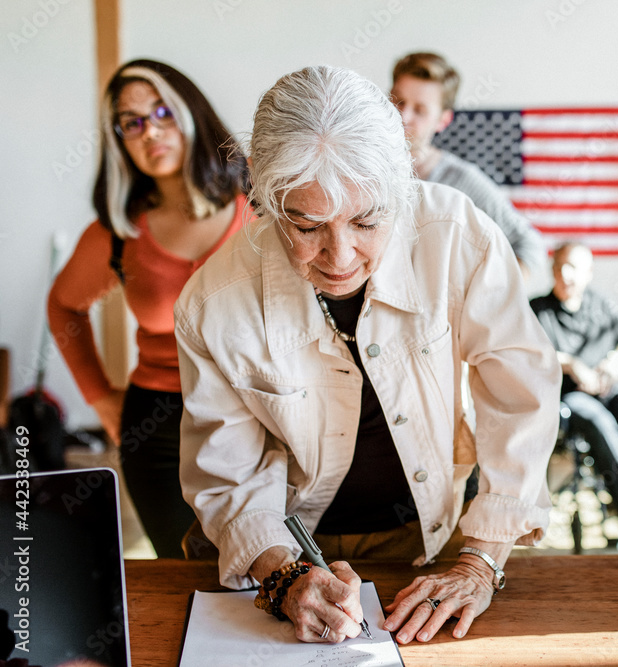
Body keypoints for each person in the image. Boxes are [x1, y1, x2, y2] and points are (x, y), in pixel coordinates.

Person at [174, 65, 560, 645]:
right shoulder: (214, 303)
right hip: (279, 537)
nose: (340, 256)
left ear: (399, 187)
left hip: (429, 531)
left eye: (367, 219)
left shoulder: (455, 235)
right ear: (266, 198)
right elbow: (228, 472)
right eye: (306, 226)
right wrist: (281, 575)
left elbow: (521, 395)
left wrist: (480, 560)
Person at [47, 59, 248, 558]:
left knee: (272, 568)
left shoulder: (260, 206)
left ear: (190, 113)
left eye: (161, 112)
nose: (149, 131)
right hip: (158, 429)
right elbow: (63, 306)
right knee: (185, 574)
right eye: (131, 122)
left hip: (260, 413)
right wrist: (99, 397)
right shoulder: (121, 233)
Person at [530, 243, 618, 549]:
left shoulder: (602, 306)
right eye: (561, 267)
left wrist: (613, 363)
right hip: (567, 402)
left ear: (589, 273)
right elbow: (529, 353)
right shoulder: (537, 311)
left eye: (575, 268)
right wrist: (572, 365)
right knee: (596, 419)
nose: (567, 275)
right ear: (552, 269)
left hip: (609, 391)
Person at [389, 52, 545, 279]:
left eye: (420, 110)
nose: (403, 116)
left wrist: (490, 300)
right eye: (398, 101)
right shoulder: (359, 168)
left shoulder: (461, 180)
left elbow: (528, 244)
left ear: (443, 120)